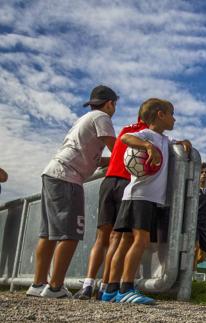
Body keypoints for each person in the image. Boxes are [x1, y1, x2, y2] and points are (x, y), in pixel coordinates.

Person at [26, 85, 117, 298]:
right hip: (69, 177)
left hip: (53, 172)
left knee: (48, 233)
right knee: (71, 233)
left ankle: (38, 284)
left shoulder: (85, 118)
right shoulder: (102, 117)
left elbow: (94, 156)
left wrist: (108, 161)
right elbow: (117, 149)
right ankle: (56, 287)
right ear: (110, 103)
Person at [101, 98, 191, 305]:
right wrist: (147, 147)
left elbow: (176, 143)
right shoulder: (147, 135)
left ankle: (110, 290)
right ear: (160, 115)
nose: (174, 118)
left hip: (138, 197)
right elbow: (126, 139)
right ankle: (126, 287)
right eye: (172, 114)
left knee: (125, 243)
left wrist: (184, 142)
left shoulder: (164, 139)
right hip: (141, 196)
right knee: (138, 241)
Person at [73, 113, 148, 300]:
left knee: (101, 237)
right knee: (117, 237)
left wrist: (106, 161)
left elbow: (118, 153)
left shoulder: (126, 130)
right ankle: (105, 287)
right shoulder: (147, 133)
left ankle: (88, 285)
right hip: (125, 183)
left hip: (108, 182)